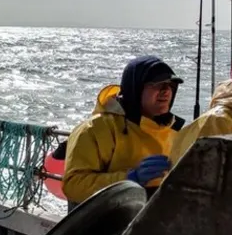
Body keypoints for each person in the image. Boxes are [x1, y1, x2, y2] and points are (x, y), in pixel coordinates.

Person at [62, 55, 185, 206]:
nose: (166, 91)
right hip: (105, 215)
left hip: (154, 215)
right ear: (135, 89)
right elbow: (74, 185)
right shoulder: (95, 129)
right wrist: (129, 179)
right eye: (157, 84)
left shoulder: (175, 132)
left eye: (171, 85)